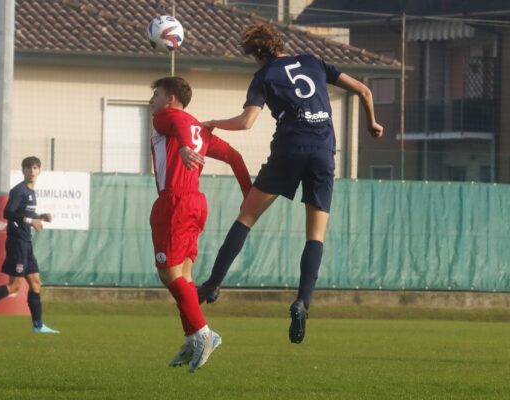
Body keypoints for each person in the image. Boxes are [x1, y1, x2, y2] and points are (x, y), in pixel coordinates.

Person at [194, 23, 383, 344]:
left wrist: (211, 123)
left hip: (289, 148)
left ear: (256, 54)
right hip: (323, 152)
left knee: (246, 217)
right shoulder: (313, 61)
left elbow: (246, 122)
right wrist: (372, 123)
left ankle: (212, 284)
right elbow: (364, 90)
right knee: (316, 234)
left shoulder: (264, 76)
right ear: (279, 44)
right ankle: (302, 302)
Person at [149, 76, 251, 371]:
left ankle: (204, 334)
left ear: (170, 99)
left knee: (168, 274)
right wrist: (247, 195)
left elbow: (178, 124)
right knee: (185, 276)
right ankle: (193, 337)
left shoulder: (166, 117)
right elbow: (235, 157)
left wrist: (181, 146)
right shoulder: (201, 130)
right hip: (196, 202)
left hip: (175, 202)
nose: (152, 99)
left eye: (156, 93)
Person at [0, 156, 59, 334]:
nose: (32, 171)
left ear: (39, 171)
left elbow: (24, 213)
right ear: (23, 170)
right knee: (15, 286)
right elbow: (8, 212)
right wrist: (32, 220)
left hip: (26, 243)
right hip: (17, 243)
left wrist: (40, 217)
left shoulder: (31, 192)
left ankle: (38, 325)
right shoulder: (19, 190)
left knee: (36, 284)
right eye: (28, 168)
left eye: (35, 168)